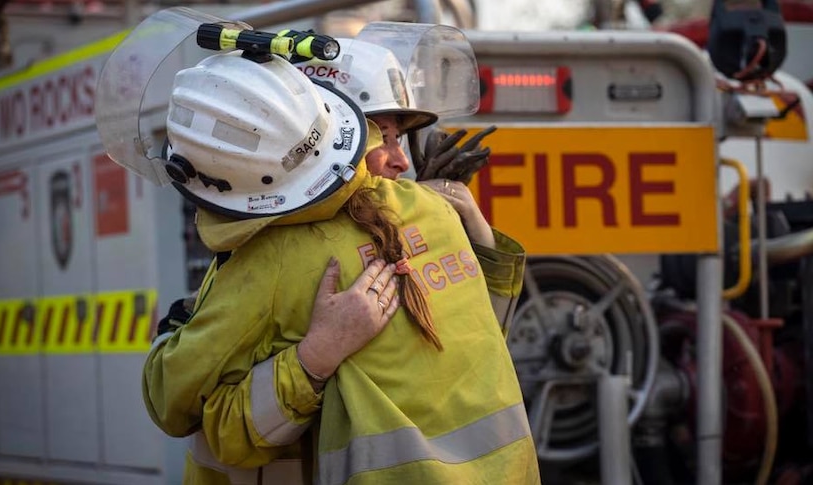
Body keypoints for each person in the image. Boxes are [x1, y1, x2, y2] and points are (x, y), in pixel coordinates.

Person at [140, 49, 540, 484]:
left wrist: (310, 357)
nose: (402, 161)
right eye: (381, 137)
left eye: (399, 139)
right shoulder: (433, 210)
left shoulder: (275, 258)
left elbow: (172, 402)